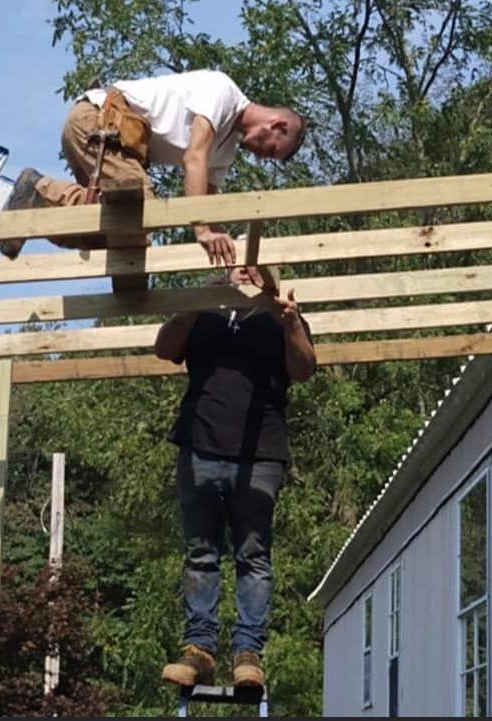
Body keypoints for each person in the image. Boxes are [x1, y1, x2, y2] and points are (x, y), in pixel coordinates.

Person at [153, 265, 316, 689]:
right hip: (200, 446)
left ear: (268, 277)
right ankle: (199, 650)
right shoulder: (205, 311)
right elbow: (163, 347)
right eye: (236, 264)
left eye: (254, 265)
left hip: (260, 454)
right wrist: (193, 303)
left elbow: (304, 368)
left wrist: (292, 323)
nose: (243, 268)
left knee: (253, 555)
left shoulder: (279, 315)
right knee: (200, 553)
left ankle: (248, 654)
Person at [0, 69, 306, 264]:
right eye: (271, 149)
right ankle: (39, 190)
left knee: (121, 233)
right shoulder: (223, 92)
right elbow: (193, 158)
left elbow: (210, 208)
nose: (263, 156)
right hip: (98, 123)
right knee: (144, 210)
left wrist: (235, 258)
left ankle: (33, 212)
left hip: (112, 142)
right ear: (276, 125)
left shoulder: (224, 152)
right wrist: (200, 230)